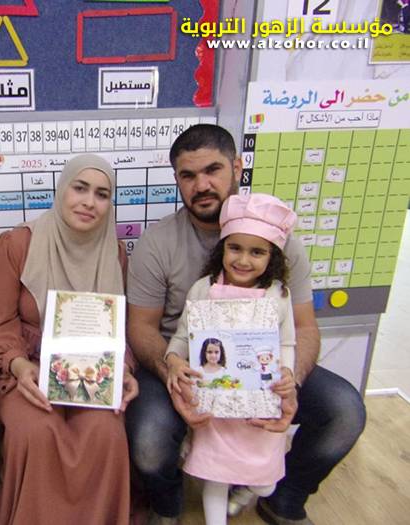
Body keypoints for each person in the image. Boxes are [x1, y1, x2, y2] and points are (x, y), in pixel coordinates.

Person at [125, 124, 366, 525]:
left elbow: (304, 327)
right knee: (149, 441)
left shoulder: (282, 241)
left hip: (265, 369)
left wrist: (290, 381)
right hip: (181, 365)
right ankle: (166, 505)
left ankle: (283, 499)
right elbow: (142, 328)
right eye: (188, 175)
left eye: (213, 170)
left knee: (345, 412)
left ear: (237, 167)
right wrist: (173, 372)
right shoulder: (157, 243)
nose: (202, 185)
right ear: (177, 180)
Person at [0, 153, 139, 525]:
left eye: (101, 194)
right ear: (62, 189)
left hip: (91, 371)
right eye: (80, 188)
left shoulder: (114, 252)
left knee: (105, 431)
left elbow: (118, 326)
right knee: (37, 429)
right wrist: (19, 365)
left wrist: (125, 370)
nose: (89, 202)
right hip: (23, 368)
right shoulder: (17, 244)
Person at [164, 193, 298, 525]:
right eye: (235, 248)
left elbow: (287, 343)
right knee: (215, 476)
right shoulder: (203, 289)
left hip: (259, 409)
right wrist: (174, 360)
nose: (243, 260)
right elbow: (182, 337)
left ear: (273, 256)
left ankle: (248, 491)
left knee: (265, 483)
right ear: (222, 248)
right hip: (216, 410)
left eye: (257, 252)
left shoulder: (278, 295)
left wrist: (287, 374)